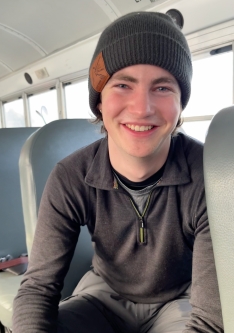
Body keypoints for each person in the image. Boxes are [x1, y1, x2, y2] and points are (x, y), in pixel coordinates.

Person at [13, 11, 223, 333]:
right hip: (102, 294)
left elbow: (209, 319)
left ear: (181, 103)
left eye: (163, 88)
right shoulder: (71, 177)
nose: (142, 108)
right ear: (99, 101)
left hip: (181, 299)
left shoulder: (210, 177)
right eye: (123, 84)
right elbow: (38, 288)